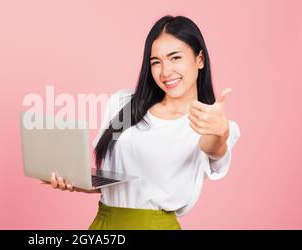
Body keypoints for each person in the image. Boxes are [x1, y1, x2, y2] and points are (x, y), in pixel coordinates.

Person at [42, 15, 241, 230]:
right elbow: (119, 180)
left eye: (175, 58)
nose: (165, 71)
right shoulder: (124, 104)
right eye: (156, 62)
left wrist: (221, 133)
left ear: (199, 59)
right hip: (104, 223)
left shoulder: (209, 124)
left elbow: (213, 149)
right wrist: (76, 180)